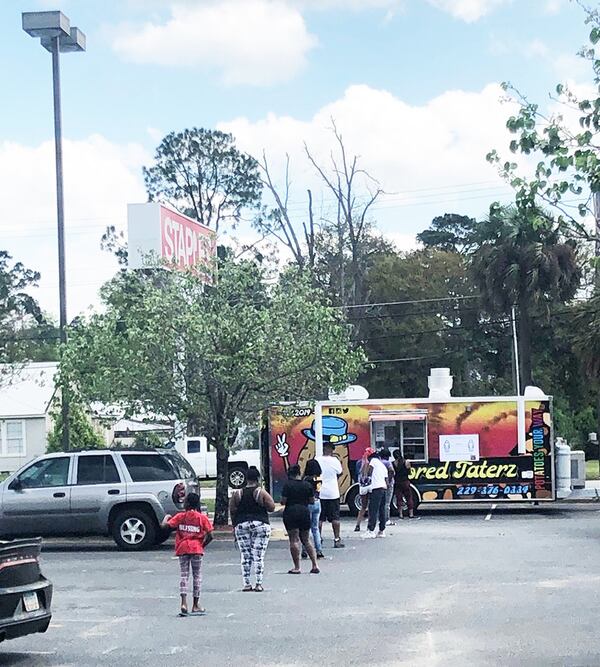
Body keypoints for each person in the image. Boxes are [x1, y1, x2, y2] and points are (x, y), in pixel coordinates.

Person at [162, 492, 214, 616]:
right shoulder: (202, 518)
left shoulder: (180, 517)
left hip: (183, 548)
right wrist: (202, 545)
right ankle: (195, 604)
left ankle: (183, 603)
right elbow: (211, 535)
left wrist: (166, 518)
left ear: (187, 503)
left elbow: (165, 526)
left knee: (184, 575)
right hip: (196, 548)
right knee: (197, 576)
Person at [229, 466, 276, 592]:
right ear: (257, 479)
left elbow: (232, 510)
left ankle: (247, 583)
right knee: (258, 555)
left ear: (246, 479)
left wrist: (235, 526)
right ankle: (259, 583)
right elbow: (272, 507)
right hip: (260, 524)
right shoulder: (261, 492)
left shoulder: (237, 493)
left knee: (245, 556)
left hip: (241, 524)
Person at [281, 465, 320, 574]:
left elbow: (283, 501)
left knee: (294, 539)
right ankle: (315, 565)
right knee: (306, 539)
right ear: (299, 472)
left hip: (291, 512)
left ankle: (297, 567)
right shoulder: (307, 485)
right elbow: (312, 501)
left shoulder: (287, 485)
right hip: (304, 512)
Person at [316, 443, 345, 548]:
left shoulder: (317, 460)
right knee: (335, 518)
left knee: (319, 518)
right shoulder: (335, 461)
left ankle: (318, 539)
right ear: (331, 450)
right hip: (333, 493)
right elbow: (340, 472)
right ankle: (337, 539)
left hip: (320, 492)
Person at [302, 458, 325, 559]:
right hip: (317, 502)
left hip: (308, 503)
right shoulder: (319, 478)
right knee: (315, 528)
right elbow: (318, 490)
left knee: (305, 528)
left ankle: (304, 550)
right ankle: (319, 550)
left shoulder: (306, 479)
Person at [363, 451, 389, 539]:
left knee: (373, 509)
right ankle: (382, 530)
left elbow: (369, 471)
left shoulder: (373, 460)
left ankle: (371, 530)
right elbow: (387, 480)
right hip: (383, 488)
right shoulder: (383, 466)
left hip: (376, 488)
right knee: (382, 510)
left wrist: (366, 476)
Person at [393, 450, 418, 519]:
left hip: (397, 482)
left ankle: (400, 514)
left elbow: (393, 472)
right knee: (409, 497)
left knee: (399, 498)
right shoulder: (406, 462)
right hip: (405, 481)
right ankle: (411, 514)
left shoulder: (393, 463)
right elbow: (409, 472)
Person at [354, 447, 375, 532]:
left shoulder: (359, 462)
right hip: (370, 485)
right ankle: (369, 526)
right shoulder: (371, 463)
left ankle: (357, 525)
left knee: (363, 507)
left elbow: (357, 473)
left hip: (362, 486)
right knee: (371, 506)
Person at [379, 448, 396, 526]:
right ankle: (387, 519)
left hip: (380, 484)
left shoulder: (378, 462)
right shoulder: (387, 463)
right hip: (388, 484)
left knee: (380, 502)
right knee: (387, 503)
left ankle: (380, 518)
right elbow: (392, 471)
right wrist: (389, 481)